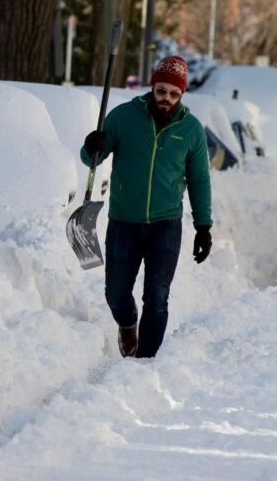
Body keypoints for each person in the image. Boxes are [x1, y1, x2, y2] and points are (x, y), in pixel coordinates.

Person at [81, 55, 213, 358]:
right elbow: (92, 160)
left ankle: (145, 361)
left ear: (182, 95)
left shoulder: (191, 130)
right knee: (115, 294)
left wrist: (203, 226)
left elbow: (199, 179)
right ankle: (127, 326)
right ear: (152, 87)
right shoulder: (123, 117)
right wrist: (92, 145)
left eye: (173, 93)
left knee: (157, 296)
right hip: (123, 222)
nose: (166, 99)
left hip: (166, 224)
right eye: (161, 91)